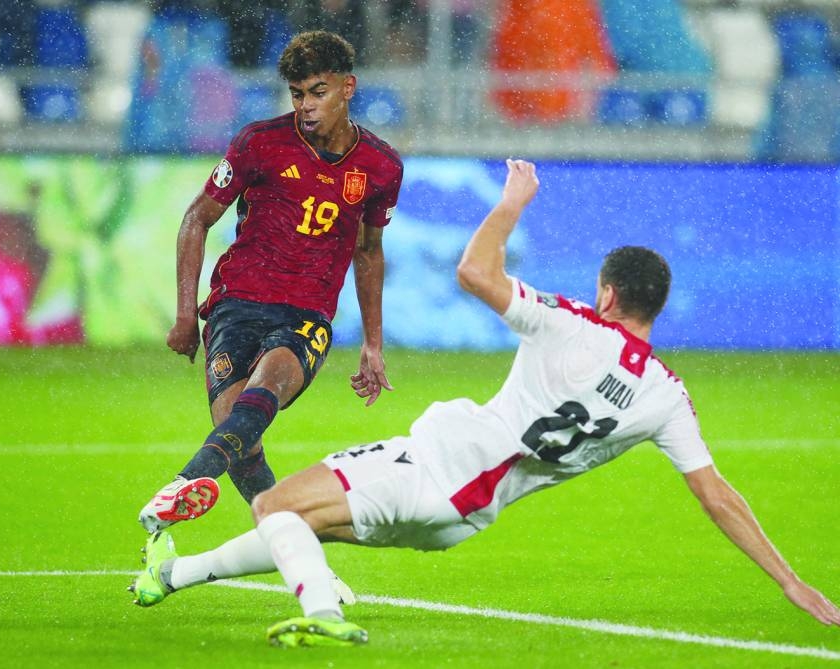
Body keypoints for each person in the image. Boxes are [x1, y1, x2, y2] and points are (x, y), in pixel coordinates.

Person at [129, 159, 840, 647]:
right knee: (300, 524)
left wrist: (511, 203)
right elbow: (718, 496)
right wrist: (790, 579)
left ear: (609, 296)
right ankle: (171, 574)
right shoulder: (666, 395)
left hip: (436, 462)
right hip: (466, 519)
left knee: (274, 505)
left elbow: (475, 270)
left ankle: (320, 610)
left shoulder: (573, 322)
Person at [137, 30, 403, 532]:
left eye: (317, 92)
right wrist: (183, 314)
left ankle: (187, 481)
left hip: (306, 314)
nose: (306, 106)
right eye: (297, 94)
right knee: (241, 438)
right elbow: (196, 219)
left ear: (348, 87)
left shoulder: (381, 166)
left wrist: (373, 342)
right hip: (235, 303)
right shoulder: (260, 142)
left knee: (266, 390)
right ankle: (300, 551)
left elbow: (369, 251)